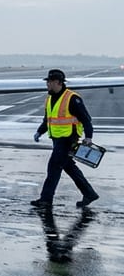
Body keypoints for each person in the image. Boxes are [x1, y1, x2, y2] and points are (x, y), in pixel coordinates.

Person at [30, 69, 100, 208]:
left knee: (53, 167)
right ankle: (89, 193)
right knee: (68, 167)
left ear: (58, 82)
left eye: (50, 82)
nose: (47, 84)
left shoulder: (72, 98)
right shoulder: (50, 98)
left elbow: (86, 119)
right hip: (56, 139)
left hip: (68, 139)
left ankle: (46, 199)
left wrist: (89, 137)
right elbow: (48, 119)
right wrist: (40, 131)